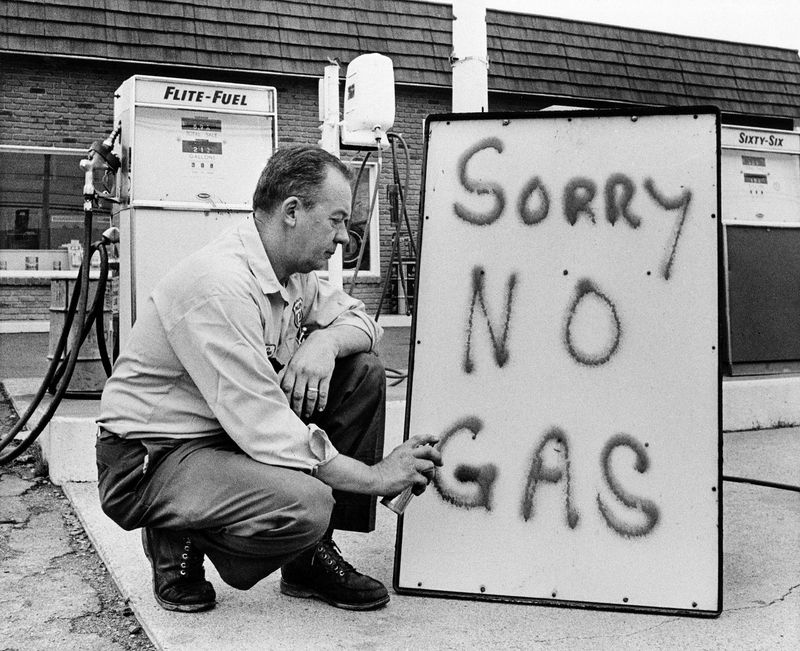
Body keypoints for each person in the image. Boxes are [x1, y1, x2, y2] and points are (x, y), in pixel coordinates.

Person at [96, 145, 441, 613]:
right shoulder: (220, 284)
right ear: (293, 212)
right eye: (337, 221)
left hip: (223, 434)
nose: (345, 238)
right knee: (307, 504)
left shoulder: (293, 271)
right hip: (152, 458)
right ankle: (176, 528)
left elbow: (364, 323)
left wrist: (325, 344)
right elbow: (268, 431)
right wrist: (377, 476)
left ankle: (308, 560)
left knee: (361, 372)